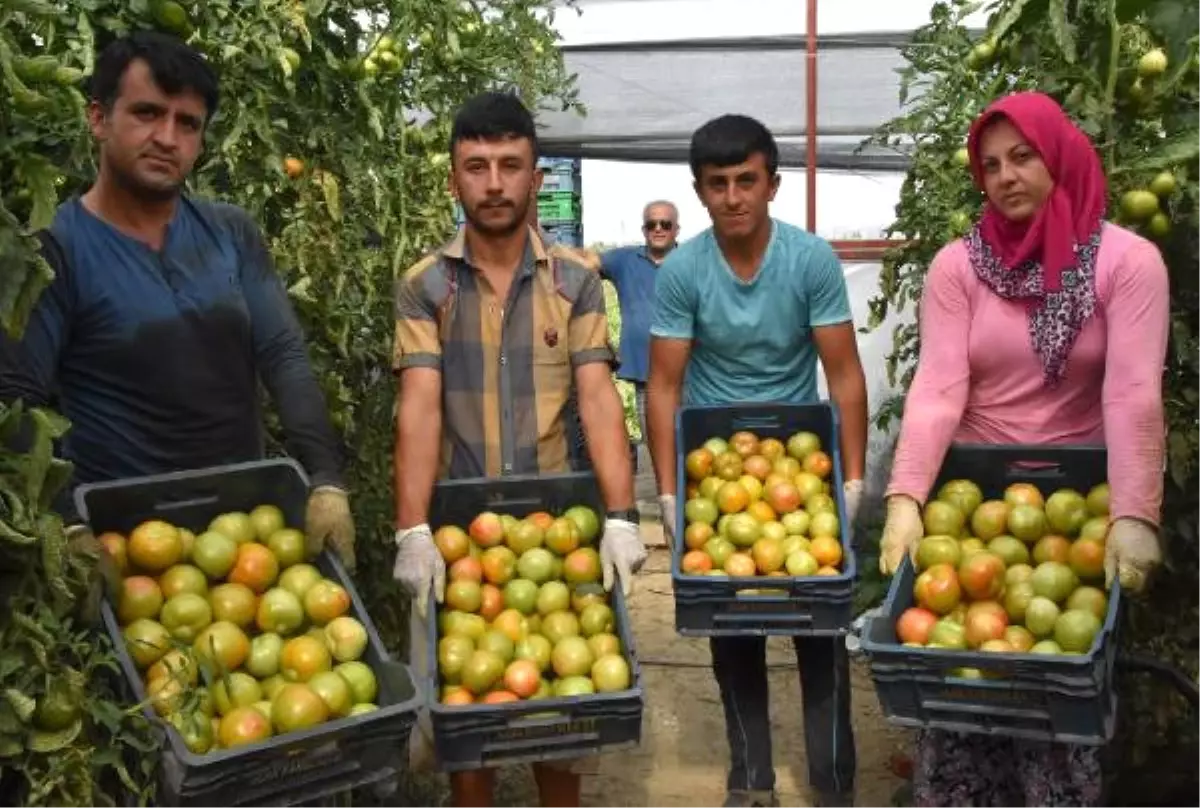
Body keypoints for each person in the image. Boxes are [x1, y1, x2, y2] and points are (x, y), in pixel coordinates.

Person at [877, 91, 1167, 807]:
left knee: (1058, 705)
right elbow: (940, 386)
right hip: (973, 506)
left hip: (1077, 512)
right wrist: (907, 497)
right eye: (991, 164)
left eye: (1023, 156)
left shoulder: (1127, 265)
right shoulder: (960, 266)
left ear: (1058, 155)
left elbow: (1132, 392)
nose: (1004, 176)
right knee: (960, 691)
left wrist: (1136, 511)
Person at [0, 32, 355, 600]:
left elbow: (283, 355)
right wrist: (68, 525)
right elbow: (18, 402)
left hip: (246, 543)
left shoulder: (230, 233)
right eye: (146, 114)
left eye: (187, 123)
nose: (167, 137)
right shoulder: (53, 251)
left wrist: (326, 480)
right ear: (98, 118)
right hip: (129, 548)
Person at [389, 91, 647, 808]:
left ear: (537, 179)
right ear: (454, 179)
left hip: (553, 525)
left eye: (510, 165)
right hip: (459, 530)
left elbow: (597, 397)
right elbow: (419, 406)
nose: (494, 183)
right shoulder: (425, 287)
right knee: (465, 728)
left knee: (559, 723)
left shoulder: (577, 280)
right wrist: (412, 529)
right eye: (476, 166)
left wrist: (621, 514)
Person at [646, 114, 868, 808]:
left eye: (747, 180)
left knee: (821, 622)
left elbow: (845, 373)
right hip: (714, 464)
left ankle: (833, 783)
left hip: (800, 464)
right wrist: (669, 492)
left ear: (772, 183)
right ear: (700, 192)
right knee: (730, 620)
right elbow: (664, 384)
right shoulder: (683, 270)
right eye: (719, 184)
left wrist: (853, 477)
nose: (734, 195)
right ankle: (752, 780)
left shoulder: (809, 261)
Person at [599, 200, 680, 445]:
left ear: (676, 229)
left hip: (687, 374)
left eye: (665, 224)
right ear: (644, 230)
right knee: (655, 442)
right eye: (651, 224)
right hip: (645, 373)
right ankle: (662, 484)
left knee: (689, 440)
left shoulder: (690, 261)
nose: (658, 229)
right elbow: (584, 264)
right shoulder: (624, 259)